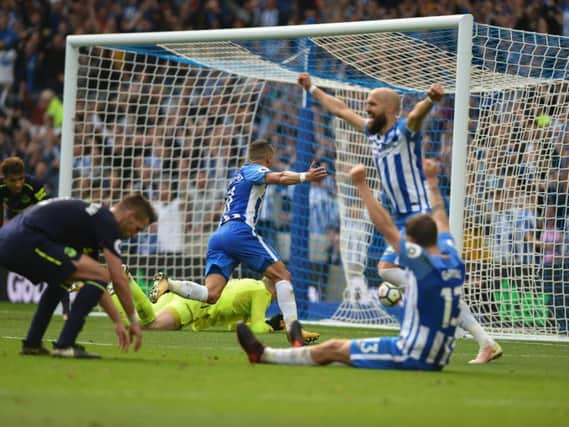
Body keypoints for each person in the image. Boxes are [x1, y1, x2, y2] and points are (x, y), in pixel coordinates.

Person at [297, 73, 502, 364]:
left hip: (420, 215)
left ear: (391, 110)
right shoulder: (372, 133)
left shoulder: (404, 130)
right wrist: (313, 88)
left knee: (389, 268)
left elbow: (417, 115)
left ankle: (455, 312)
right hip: (405, 216)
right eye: (367, 103)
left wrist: (430, 100)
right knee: (395, 270)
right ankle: (483, 339)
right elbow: (340, 110)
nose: (367, 107)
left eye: (373, 103)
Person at [237, 160, 475, 370]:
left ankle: (265, 355)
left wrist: (361, 185)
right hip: (436, 351)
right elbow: (441, 218)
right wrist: (432, 183)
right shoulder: (451, 256)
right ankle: (268, 353)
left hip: (413, 353)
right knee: (342, 351)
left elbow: (386, 227)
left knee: (332, 349)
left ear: (413, 244)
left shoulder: (424, 266)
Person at [151, 140, 326, 346]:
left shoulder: (237, 174)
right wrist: (305, 176)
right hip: (239, 231)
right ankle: (293, 331)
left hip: (219, 236)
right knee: (283, 275)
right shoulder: (254, 170)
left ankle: (169, 284)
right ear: (268, 159)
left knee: (211, 294)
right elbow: (278, 177)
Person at [0, 194, 157, 358]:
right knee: (100, 273)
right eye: (137, 228)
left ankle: (32, 344)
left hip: (9, 239)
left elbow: (97, 282)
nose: (134, 235)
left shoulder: (91, 222)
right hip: (24, 239)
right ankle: (65, 345)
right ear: (129, 215)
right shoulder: (107, 221)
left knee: (65, 278)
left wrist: (117, 321)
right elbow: (118, 278)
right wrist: (133, 321)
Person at [110, 267, 309, 339]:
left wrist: (265, 322)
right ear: (277, 288)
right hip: (191, 307)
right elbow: (257, 328)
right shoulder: (262, 294)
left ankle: (109, 290)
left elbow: (236, 326)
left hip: (186, 298)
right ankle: (127, 281)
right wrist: (272, 327)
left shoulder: (252, 285)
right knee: (148, 326)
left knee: (136, 319)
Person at [0, 157, 47, 227]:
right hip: (11, 215)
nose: (18, 184)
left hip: (32, 216)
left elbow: (45, 211)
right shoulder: (1, 187)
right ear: (4, 179)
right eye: (13, 180)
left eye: (21, 178)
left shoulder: (35, 185)